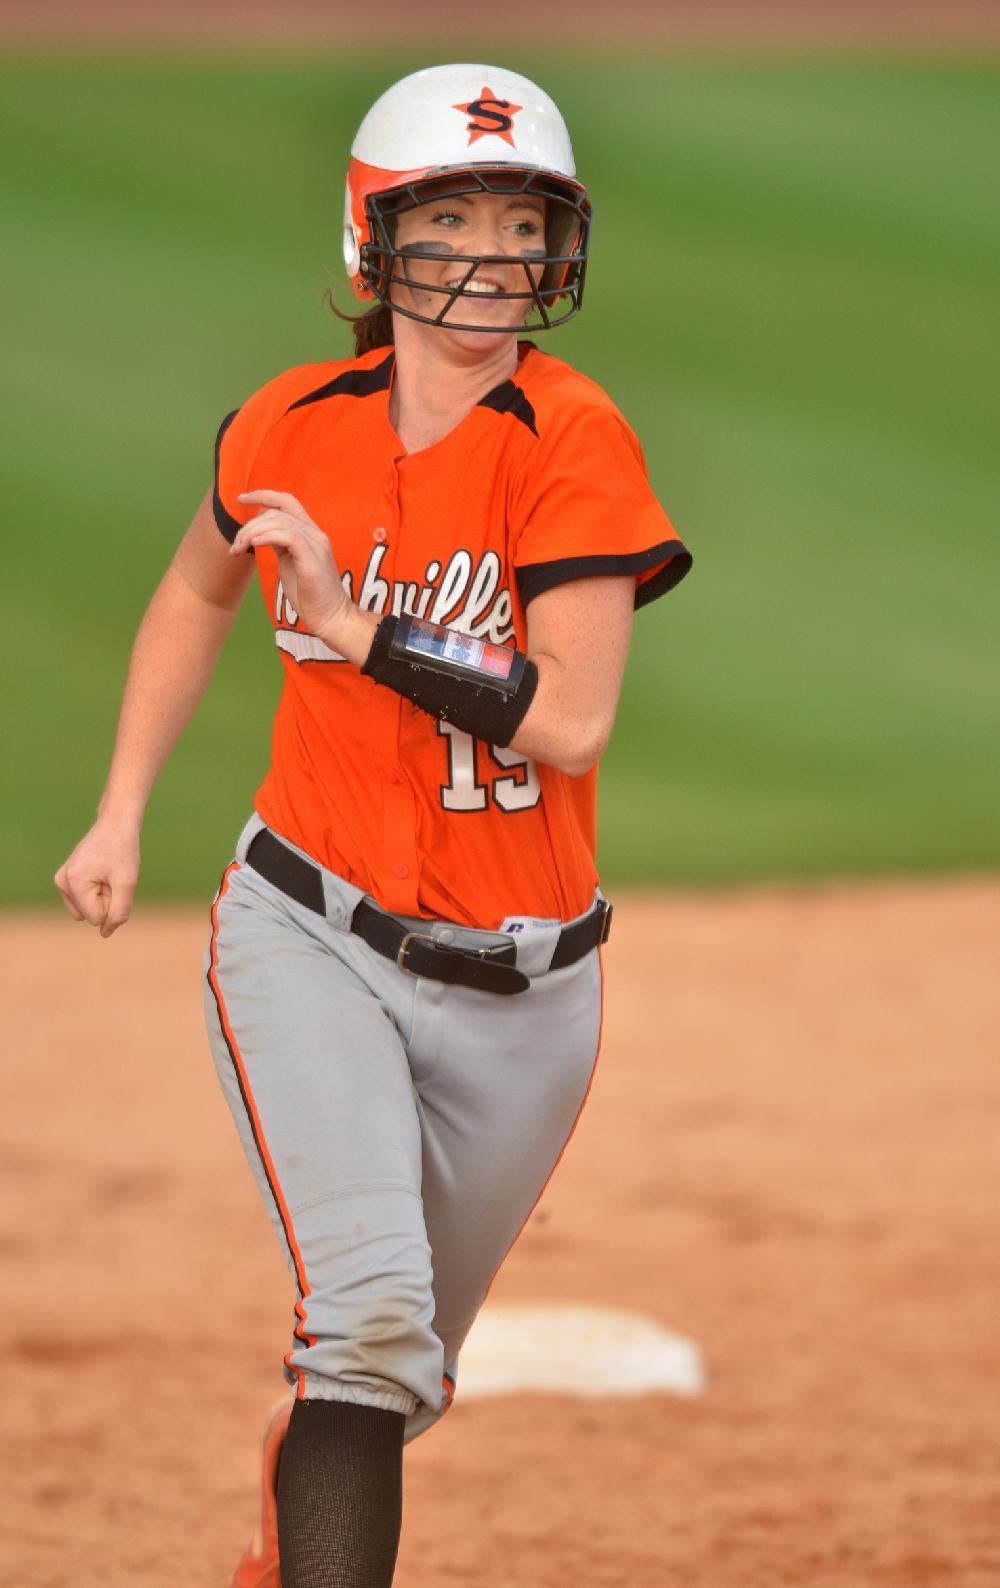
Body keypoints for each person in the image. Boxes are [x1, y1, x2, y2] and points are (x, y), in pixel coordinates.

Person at [54, 62, 692, 1588]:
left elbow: (574, 716)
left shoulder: (572, 436)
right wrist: (120, 810)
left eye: (522, 221)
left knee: (396, 1382)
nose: (491, 255)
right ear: (374, 238)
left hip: (529, 995)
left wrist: (364, 631)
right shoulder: (287, 422)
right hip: (307, 933)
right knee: (364, 1326)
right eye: (451, 215)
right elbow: (193, 592)